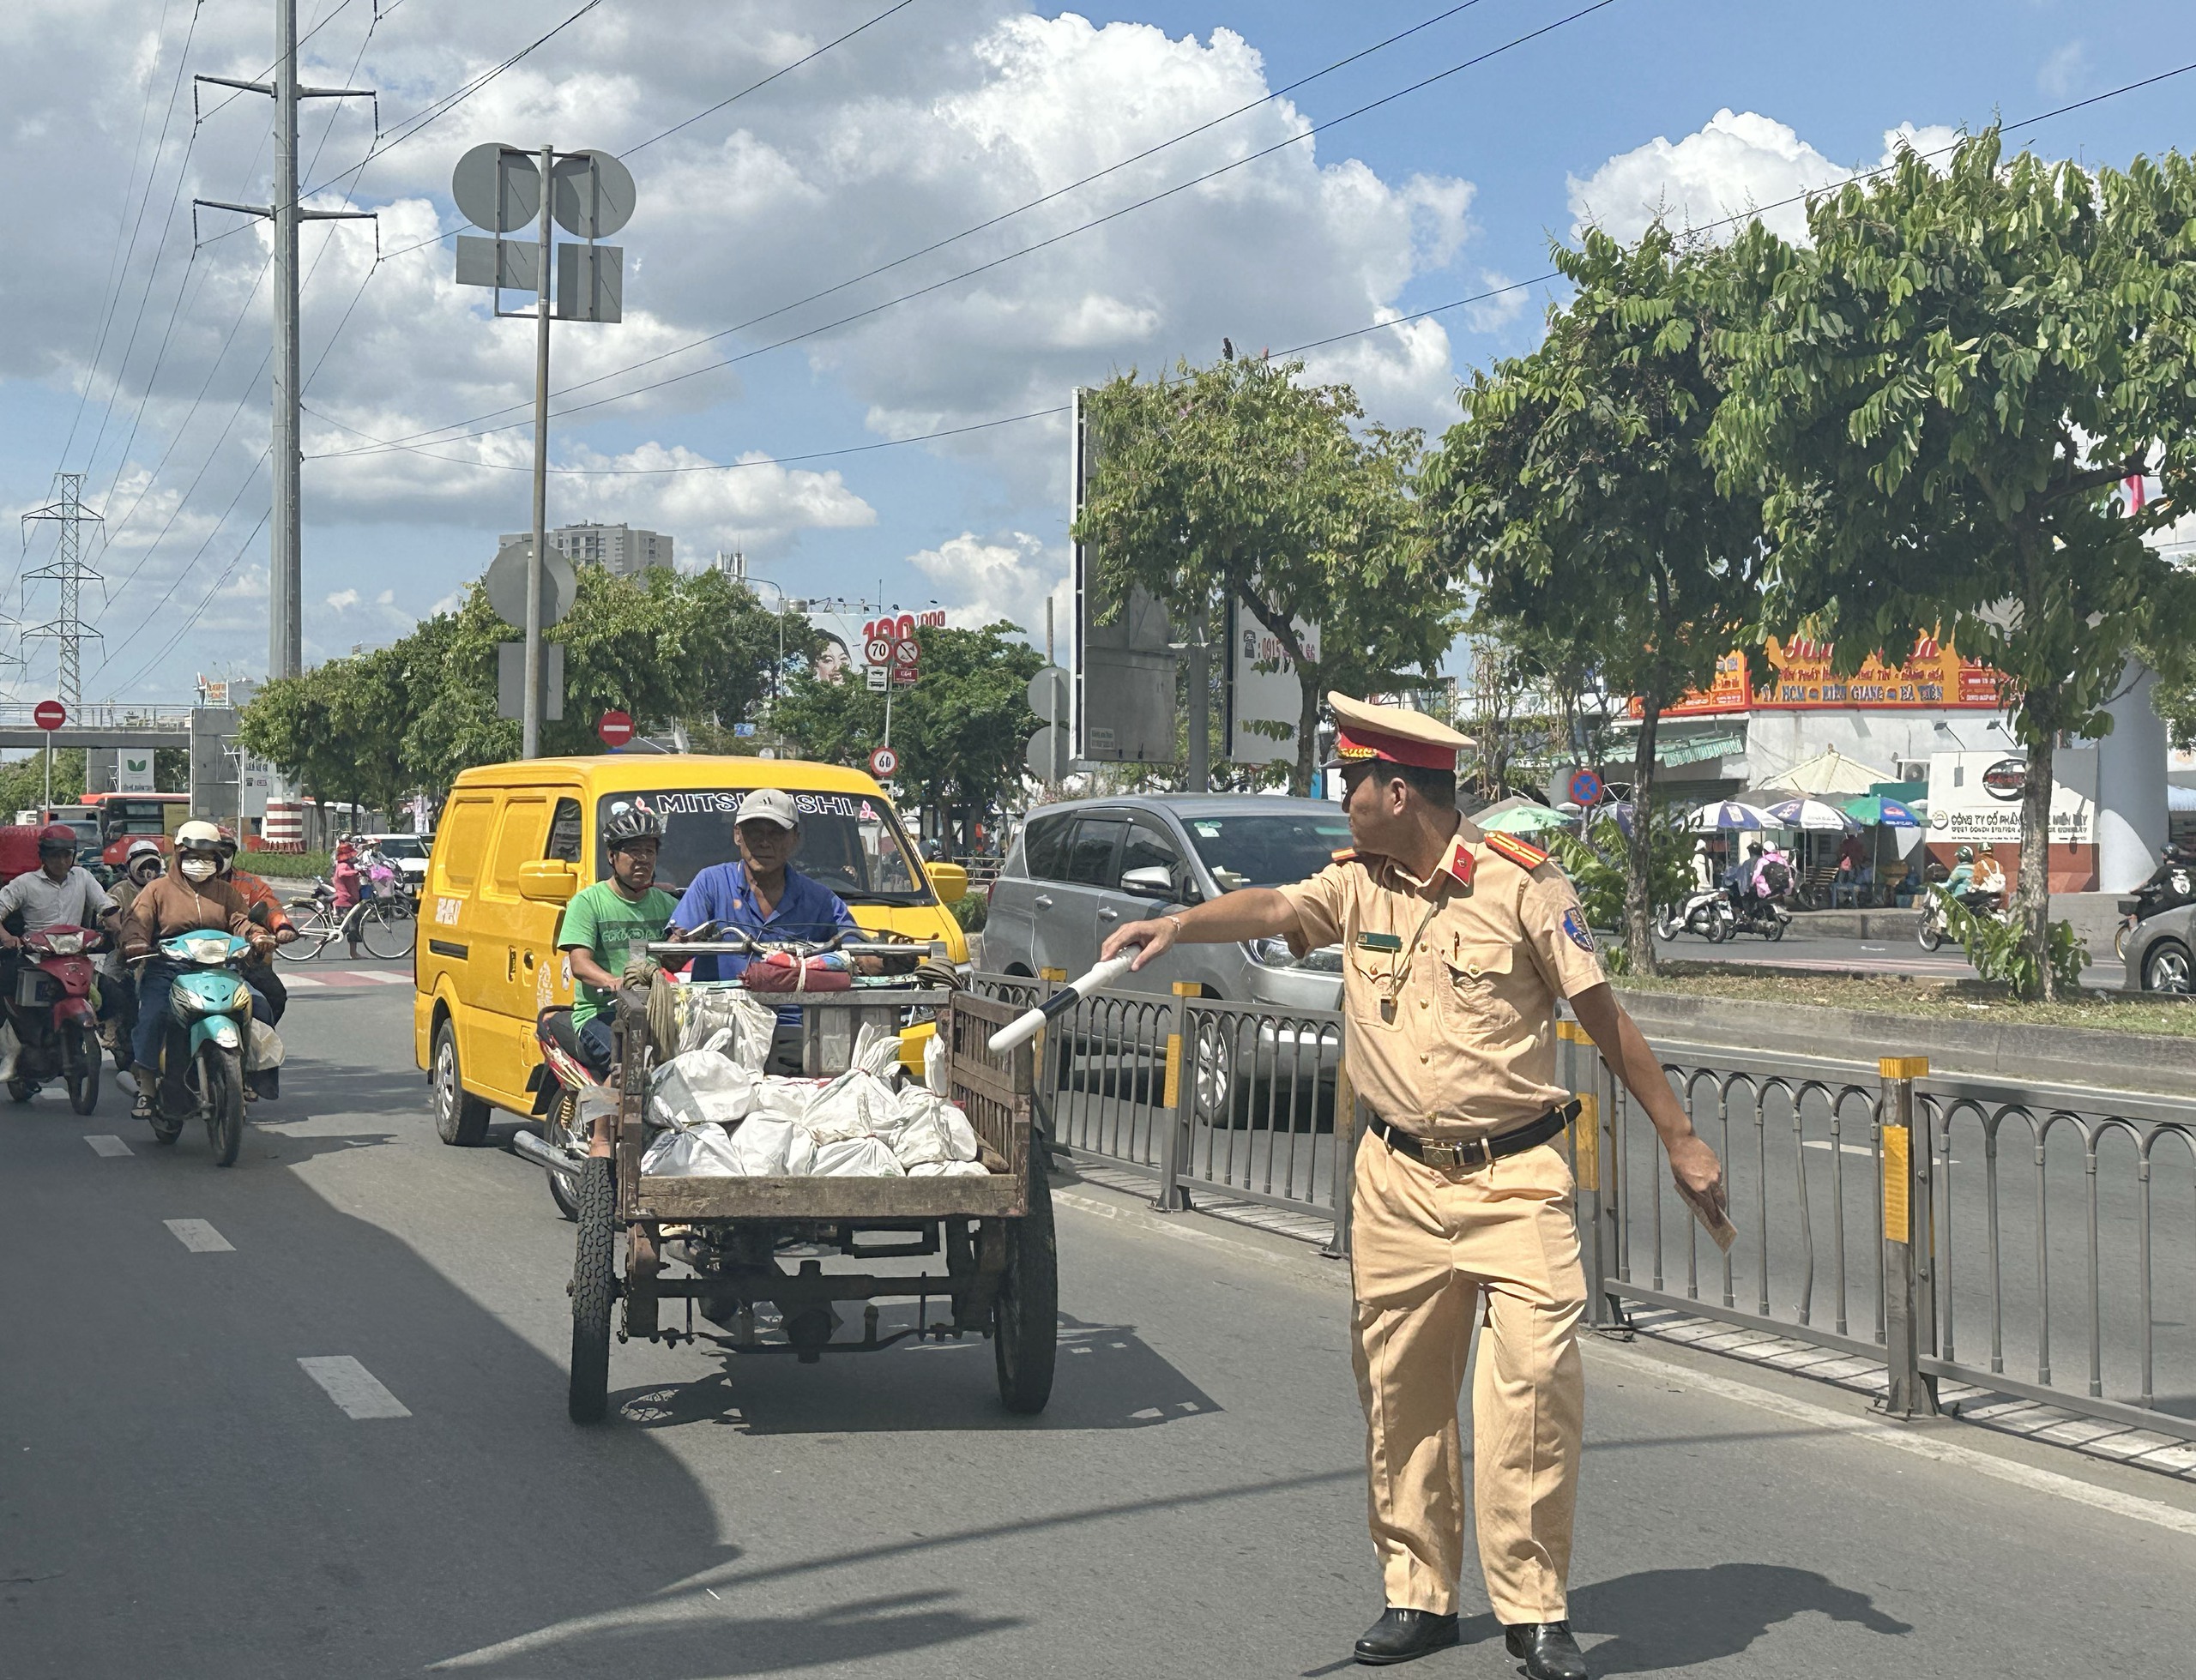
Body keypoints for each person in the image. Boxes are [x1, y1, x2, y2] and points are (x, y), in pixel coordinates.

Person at [1100, 693, 1727, 1677]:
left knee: (1532, 1391)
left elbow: (1602, 1016)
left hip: (1514, 1178)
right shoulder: (1359, 884)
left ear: (1396, 793)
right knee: (1401, 1399)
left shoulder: (1523, 884)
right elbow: (1274, 908)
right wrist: (1177, 924)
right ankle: (1418, 1594)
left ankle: (1533, 1612)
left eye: (1350, 783)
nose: (1341, 800)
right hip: (1394, 1179)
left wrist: (1680, 1138)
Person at [669, 788, 864, 1072]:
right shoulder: (711, 884)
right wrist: (683, 942)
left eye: (776, 833)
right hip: (721, 1028)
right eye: (754, 832)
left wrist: (889, 959)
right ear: (737, 835)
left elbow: (861, 953)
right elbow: (673, 953)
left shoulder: (819, 899)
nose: (764, 842)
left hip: (795, 1036)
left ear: (795, 838)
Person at [120, 821, 272, 1119]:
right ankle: (147, 1088)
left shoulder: (225, 892)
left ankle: (247, 1076)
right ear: (179, 855)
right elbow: (137, 921)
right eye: (193, 855)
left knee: (260, 1007)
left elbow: (240, 921)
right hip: (168, 969)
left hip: (219, 969)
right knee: (153, 1016)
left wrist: (257, 935)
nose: (200, 863)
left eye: (207, 856)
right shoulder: (156, 890)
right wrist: (135, 941)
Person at [556, 800, 680, 1077]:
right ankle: (602, 1107)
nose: (643, 859)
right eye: (634, 851)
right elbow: (579, 964)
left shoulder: (668, 905)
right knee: (630, 1065)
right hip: (601, 1013)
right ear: (612, 856)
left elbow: (680, 958)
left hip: (656, 1010)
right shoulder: (588, 902)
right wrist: (612, 981)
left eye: (649, 851)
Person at [0, 824, 125, 1050]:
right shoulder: (24, 883)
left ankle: (109, 1034)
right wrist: (8, 937)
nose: (61, 861)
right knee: (4, 986)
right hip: (35, 959)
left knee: (117, 995)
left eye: (66, 855)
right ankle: (11, 1044)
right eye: (54, 855)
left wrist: (117, 928)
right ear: (43, 856)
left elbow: (106, 906)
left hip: (75, 959)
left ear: (73, 855)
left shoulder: (83, 877)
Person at [214, 833, 300, 1030]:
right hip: (195, 959)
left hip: (244, 957)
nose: (219, 857)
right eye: (213, 852)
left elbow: (270, 907)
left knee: (275, 996)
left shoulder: (248, 883)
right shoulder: (184, 886)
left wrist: (282, 927)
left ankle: (261, 1040)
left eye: (225, 852)